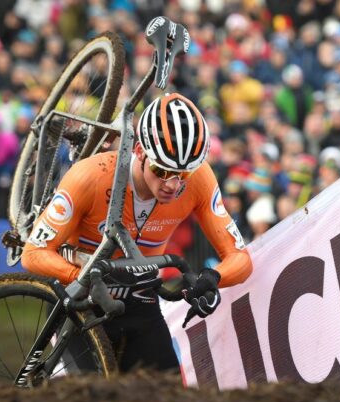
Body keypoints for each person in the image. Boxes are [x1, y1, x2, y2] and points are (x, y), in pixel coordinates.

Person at [21, 93, 253, 372]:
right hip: (83, 302)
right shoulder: (91, 176)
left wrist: (213, 278)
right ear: (140, 152)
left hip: (140, 301)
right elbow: (33, 253)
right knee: (92, 399)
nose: (172, 184)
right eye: (161, 169)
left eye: (183, 174)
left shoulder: (200, 179)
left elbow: (241, 260)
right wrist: (79, 278)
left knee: (165, 399)